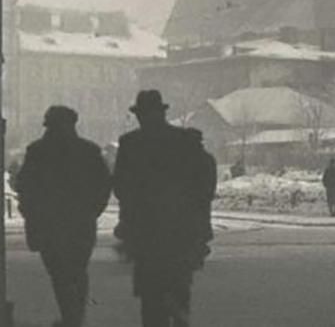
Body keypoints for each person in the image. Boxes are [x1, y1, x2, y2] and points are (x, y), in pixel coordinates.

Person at [113, 90, 216, 327]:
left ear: (140, 115)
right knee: (180, 290)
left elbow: (120, 187)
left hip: (145, 232)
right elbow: (203, 185)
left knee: (151, 299)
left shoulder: (130, 144)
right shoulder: (185, 140)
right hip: (181, 231)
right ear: (161, 112)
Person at [15, 106, 112, 327]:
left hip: (48, 224)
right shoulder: (89, 151)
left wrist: (30, 212)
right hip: (81, 223)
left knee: (59, 273)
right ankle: (75, 317)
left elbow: (25, 185)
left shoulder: (37, 151)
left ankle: (71, 317)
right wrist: (92, 211)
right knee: (78, 270)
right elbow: (104, 185)